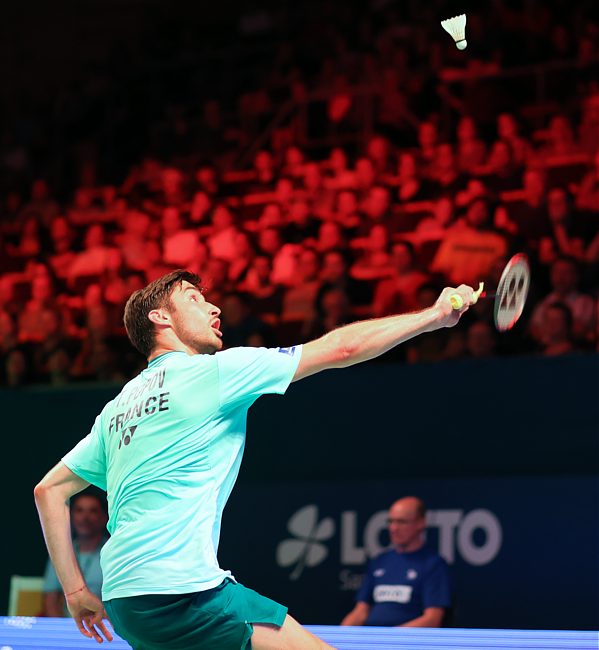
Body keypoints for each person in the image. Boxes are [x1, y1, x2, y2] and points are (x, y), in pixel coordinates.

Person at [33, 269, 476, 649]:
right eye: (195, 298)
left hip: (124, 599)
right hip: (183, 593)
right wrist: (433, 317)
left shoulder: (118, 408)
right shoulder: (214, 373)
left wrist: (74, 591)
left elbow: (48, 490)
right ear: (160, 317)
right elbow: (341, 349)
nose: (213, 309)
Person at [341, 497, 450, 628]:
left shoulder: (433, 564)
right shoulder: (379, 561)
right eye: (390, 521)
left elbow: (432, 619)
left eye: (401, 522)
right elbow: (360, 612)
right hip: (372, 640)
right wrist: (336, 638)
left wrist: (388, 639)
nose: (393, 528)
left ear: (421, 523)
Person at [42, 490, 108, 617]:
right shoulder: (60, 552)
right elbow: (50, 601)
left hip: (106, 627)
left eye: (92, 511)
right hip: (67, 628)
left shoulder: (113, 552)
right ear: (70, 517)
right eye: (79, 510)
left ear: (104, 518)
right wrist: (61, 632)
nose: (85, 517)